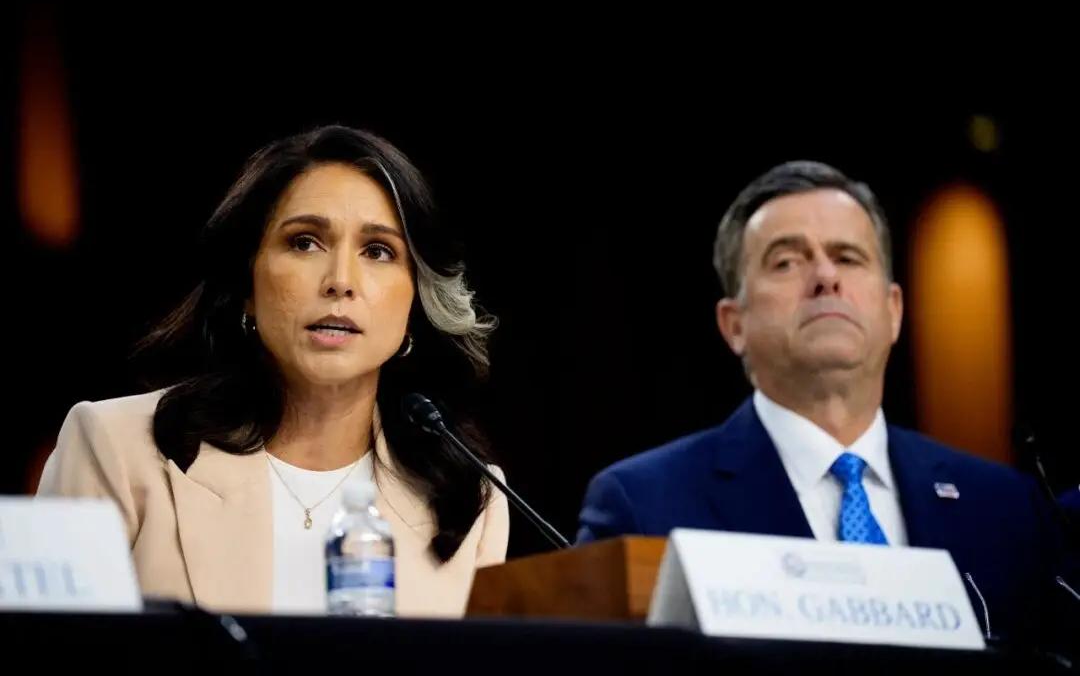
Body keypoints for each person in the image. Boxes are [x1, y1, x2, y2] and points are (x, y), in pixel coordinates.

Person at [577, 161, 1064, 646]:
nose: (825, 277)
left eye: (848, 257)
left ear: (893, 311)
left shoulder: (1008, 508)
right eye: (786, 262)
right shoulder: (644, 505)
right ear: (734, 324)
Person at [38, 125, 508, 617]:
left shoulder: (469, 498)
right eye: (305, 242)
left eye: (378, 251)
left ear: (415, 300)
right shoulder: (116, 448)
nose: (341, 282)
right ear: (247, 284)